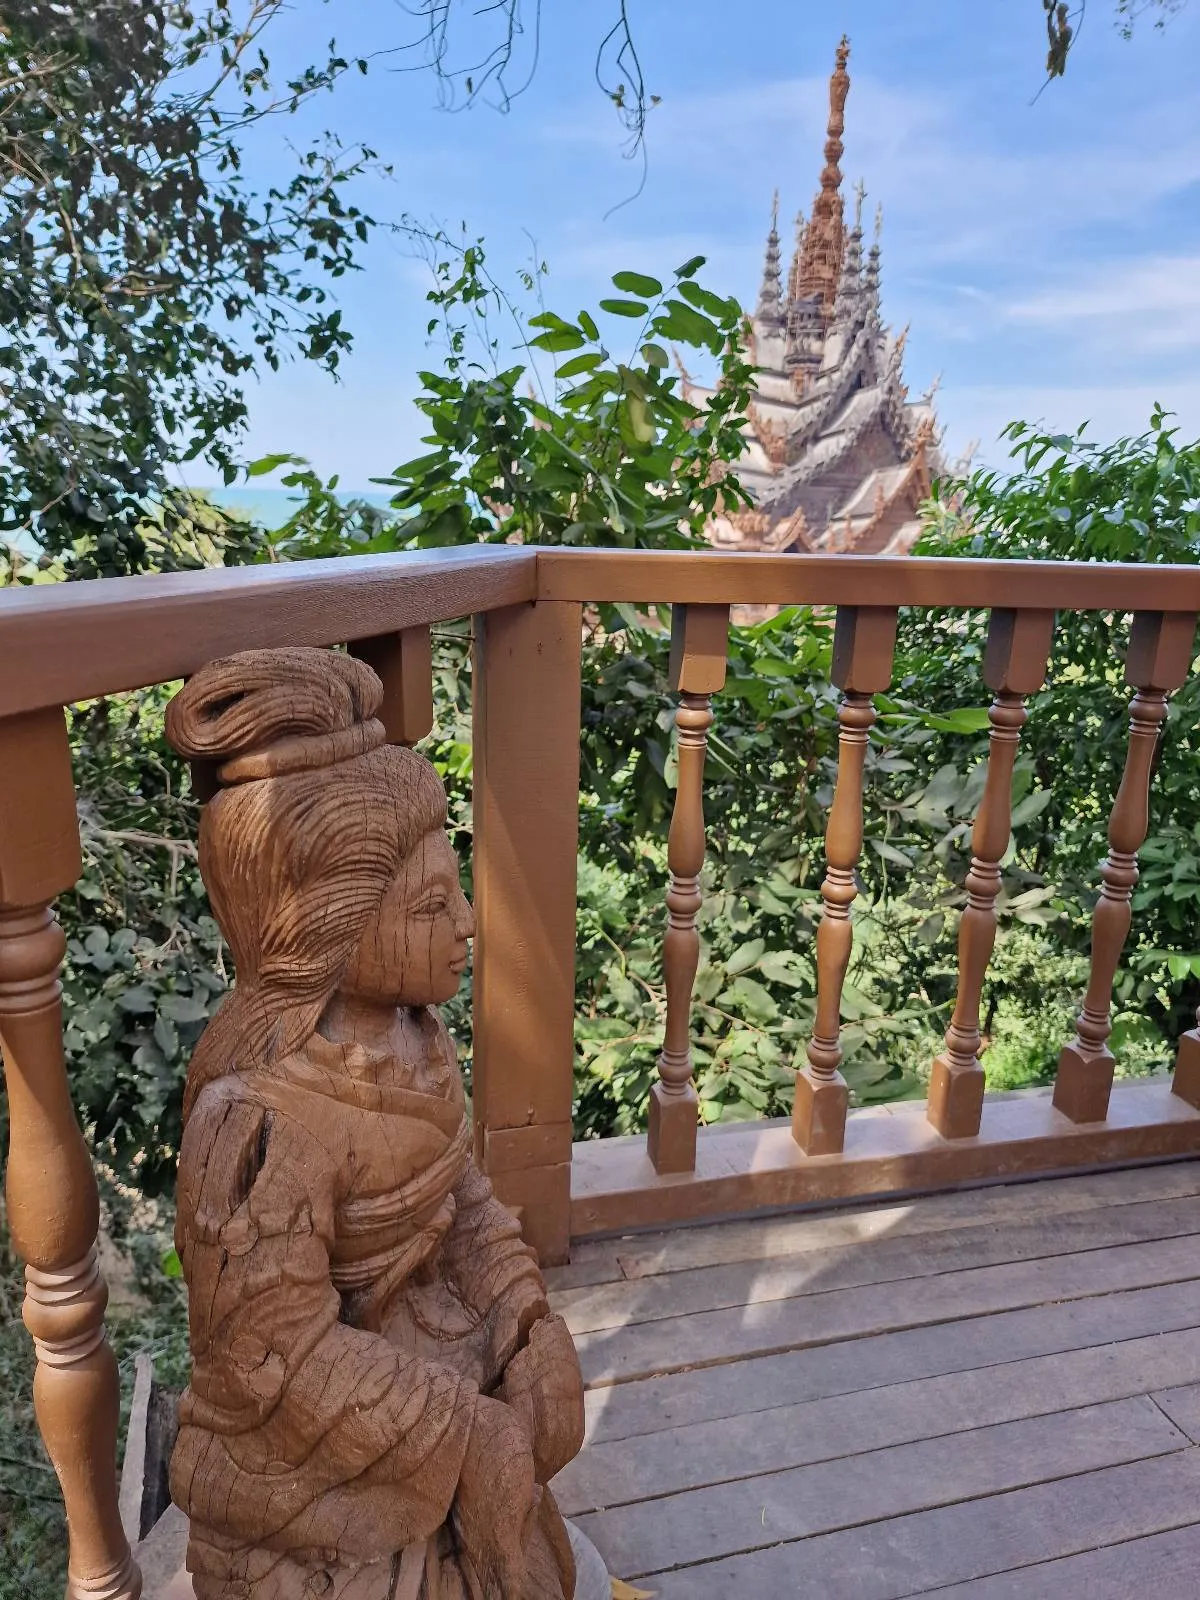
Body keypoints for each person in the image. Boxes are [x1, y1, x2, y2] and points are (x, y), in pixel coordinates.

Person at [165, 647, 583, 1600]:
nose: (469, 924)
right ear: (330, 927)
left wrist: (524, 1320)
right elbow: (272, 1356)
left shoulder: (417, 1038)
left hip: (426, 1353)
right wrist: (460, 1429)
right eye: (433, 905)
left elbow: (461, 1195)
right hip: (305, 1445)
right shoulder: (260, 1120)